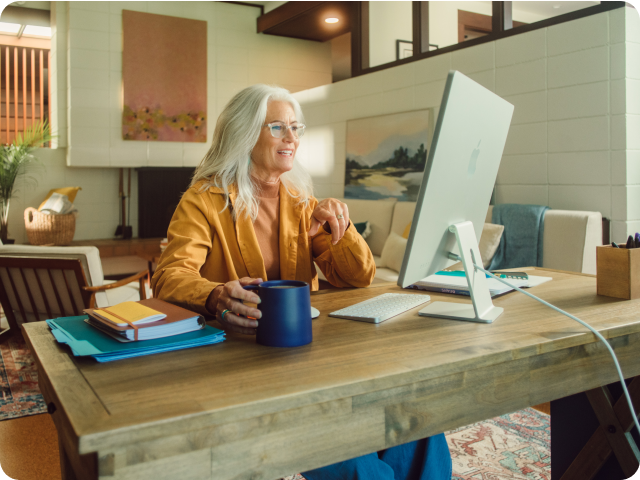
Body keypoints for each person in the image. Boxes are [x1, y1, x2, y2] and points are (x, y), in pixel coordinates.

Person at [151, 84, 451, 479]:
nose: (292, 137)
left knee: (415, 410)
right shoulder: (203, 200)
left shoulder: (303, 203)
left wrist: (339, 223)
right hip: (243, 360)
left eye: (297, 127)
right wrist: (215, 293)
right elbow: (170, 275)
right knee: (350, 457)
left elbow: (359, 276)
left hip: (309, 352)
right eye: (278, 127)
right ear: (245, 133)